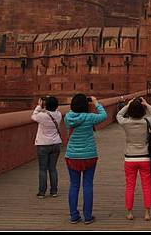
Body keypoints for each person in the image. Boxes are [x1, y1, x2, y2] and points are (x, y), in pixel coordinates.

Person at [64, 94, 108, 224]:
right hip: (89, 155)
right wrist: (96, 102)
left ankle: (73, 216)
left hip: (72, 155)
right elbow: (104, 115)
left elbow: (74, 113)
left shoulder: (68, 117)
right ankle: (87, 216)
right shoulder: (90, 118)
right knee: (87, 185)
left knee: (74, 185)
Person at [116, 96, 151, 221]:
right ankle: (146, 213)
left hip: (130, 158)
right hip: (144, 157)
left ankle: (129, 212)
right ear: (142, 111)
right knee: (146, 186)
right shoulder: (146, 122)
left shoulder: (125, 123)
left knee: (130, 186)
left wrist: (128, 105)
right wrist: (146, 104)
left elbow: (119, 115)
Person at [31, 95, 63, 199]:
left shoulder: (42, 116)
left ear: (46, 105)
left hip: (43, 144)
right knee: (53, 168)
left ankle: (42, 192)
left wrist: (39, 105)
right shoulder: (58, 115)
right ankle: (54, 191)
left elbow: (33, 116)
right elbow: (55, 109)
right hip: (56, 144)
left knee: (43, 169)